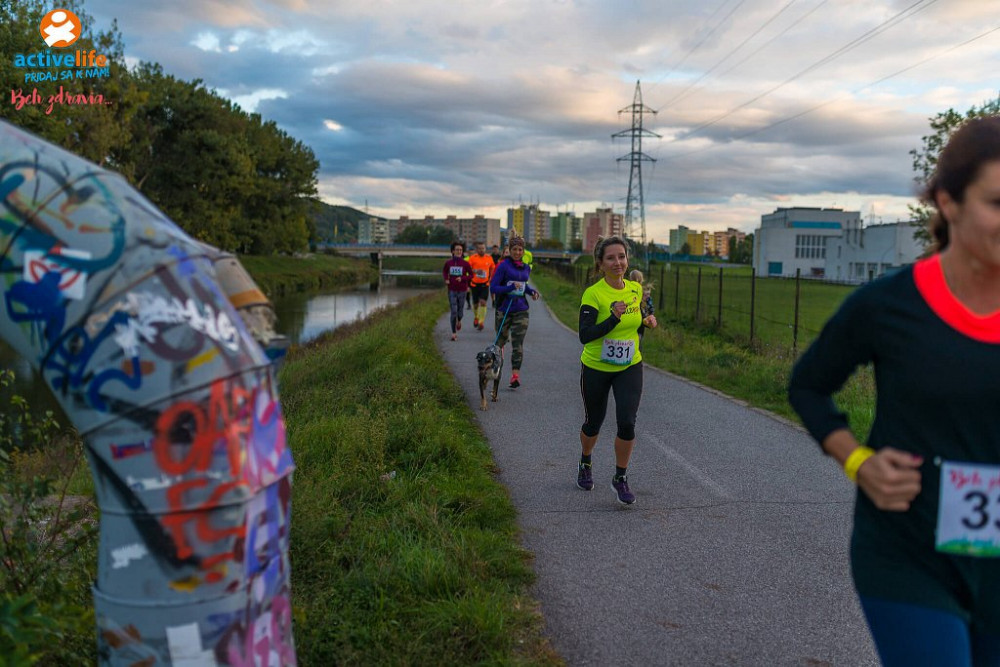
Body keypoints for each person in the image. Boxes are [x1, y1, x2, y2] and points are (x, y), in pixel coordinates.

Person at [788, 115, 1000, 667]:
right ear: (949, 202)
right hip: (908, 556)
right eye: (997, 202)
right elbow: (808, 386)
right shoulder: (890, 304)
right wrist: (858, 462)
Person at [576, 236, 657, 505]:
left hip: (629, 365)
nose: (617, 262)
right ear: (600, 263)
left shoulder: (635, 289)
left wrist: (646, 321)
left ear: (627, 260)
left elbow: (635, 321)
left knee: (627, 422)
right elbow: (585, 335)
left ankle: (620, 477)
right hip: (597, 367)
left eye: (621, 256)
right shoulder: (593, 294)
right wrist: (613, 318)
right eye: (610, 258)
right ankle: (585, 461)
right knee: (594, 422)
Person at [490, 235, 539, 388]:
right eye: (515, 249)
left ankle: (515, 376)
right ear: (510, 250)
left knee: (518, 343)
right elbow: (493, 287)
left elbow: (524, 286)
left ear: (523, 251)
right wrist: (510, 288)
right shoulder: (503, 266)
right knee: (500, 342)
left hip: (521, 310)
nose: (517, 252)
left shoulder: (526, 267)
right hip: (504, 309)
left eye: (520, 250)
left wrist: (532, 292)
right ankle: (496, 369)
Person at [442, 241, 473, 341]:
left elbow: (471, 275)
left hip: (462, 290)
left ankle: (459, 320)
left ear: (462, 251)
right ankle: (454, 333)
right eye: (457, 250)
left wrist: (462, 278)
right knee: (453, 311)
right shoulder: (448, 263)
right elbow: (444, 271)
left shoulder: (465, 264)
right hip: (452, 289)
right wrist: (446, 279)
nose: (459, 251)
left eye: (460, 250)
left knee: (460, 312)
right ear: (453, 251)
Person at [467, 241, 496, 331]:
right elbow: (467, 269)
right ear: (476, 250)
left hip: (485, 284)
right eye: (479, 248)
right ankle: (476, 317)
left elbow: (492, 267)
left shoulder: (489, 258)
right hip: (474, 284)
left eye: (483, 248)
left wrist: (491, 277)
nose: (481, 250)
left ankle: (481, 322)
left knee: (483, 302)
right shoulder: (472, 258)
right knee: (475, 304)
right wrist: (475, 271)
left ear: (485, 249)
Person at [628, 268, 655, 344]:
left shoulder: (629, 289)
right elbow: (650, 306)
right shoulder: (641, 290)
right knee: (638, 338)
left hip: (633, 317)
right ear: (641, 279)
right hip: (641, 319)